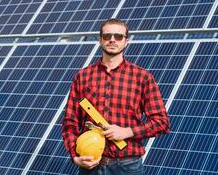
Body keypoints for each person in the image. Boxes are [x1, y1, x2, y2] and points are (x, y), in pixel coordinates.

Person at [62, 18, 170, 175]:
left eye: (119, 36)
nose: (112, 40)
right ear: (100, 40)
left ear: (126, 42)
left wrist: (128, 132)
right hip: (91, 166)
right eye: (107, 36)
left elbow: (162, 123)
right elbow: (70, 122)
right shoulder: (82, 77)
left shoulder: (142, 77)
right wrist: (75, 156)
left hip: (127, 167)